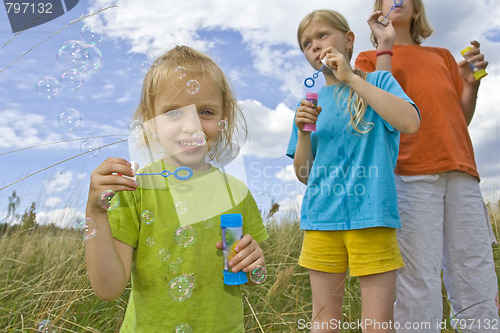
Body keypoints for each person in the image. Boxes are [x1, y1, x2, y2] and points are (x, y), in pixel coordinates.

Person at [85, 45, 268, 332]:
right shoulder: (136, 188)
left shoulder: (237, 193)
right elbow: (108, 289)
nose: (191, 126)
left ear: (225, 119)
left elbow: (251, 276)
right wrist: (95, 213)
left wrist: (253, 260)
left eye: (206, 112)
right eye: (173, 113)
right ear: (150, 121)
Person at [355, 1, 500, 331]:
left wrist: (471, 85)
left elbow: (460, 118)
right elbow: (381, 110)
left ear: (417, 10)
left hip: (460, 168)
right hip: (408, 171)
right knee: (417, 274)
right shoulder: (367, 59)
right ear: (377, 11)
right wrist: (385, 47)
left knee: (475, 267)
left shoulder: (442, 56)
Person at [287, 9, 420, 332]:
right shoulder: (311, 101)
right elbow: (305, 173)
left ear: (348, 41)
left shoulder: (377, 82)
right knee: (324, 323)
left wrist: (350, 78)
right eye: (307, 43)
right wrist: (304, 132)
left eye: (322, 35)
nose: (315, 46)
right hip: (321, 219)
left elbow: (410, 122)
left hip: (373, 217)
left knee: (376, 325)